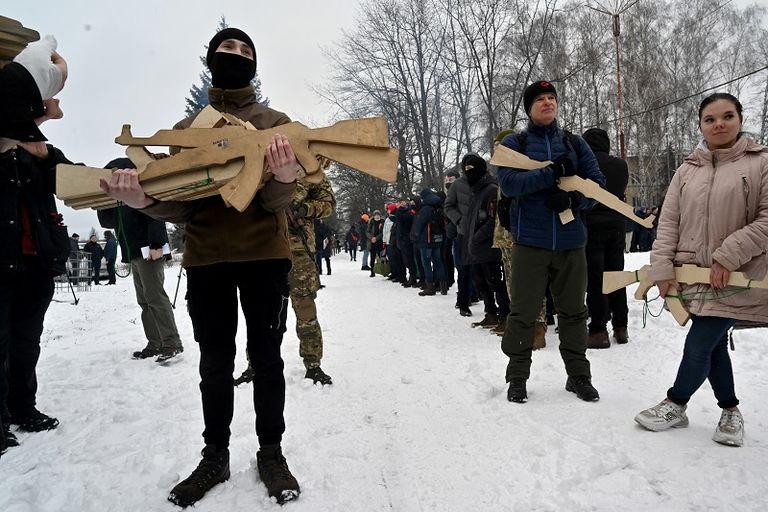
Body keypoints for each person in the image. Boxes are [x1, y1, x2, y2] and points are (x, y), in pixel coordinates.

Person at [100, 27, 301, 506]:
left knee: (267, 359)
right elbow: (184, 206)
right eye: (227, 48)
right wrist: (144, 200)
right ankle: (215, 455)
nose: (236, 55)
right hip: (207, 258)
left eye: (245, 50)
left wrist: (285, 177)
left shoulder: (275, 122)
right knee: (214, 362)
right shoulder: (188, 130)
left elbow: (275, 203)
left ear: (255, 64)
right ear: (212, 57)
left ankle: (271, 452)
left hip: (264, 257)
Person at [634, 93, 768, 447]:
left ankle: (676, 402)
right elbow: (669, 223)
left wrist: (728, 256)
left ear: (740, 119)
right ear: (700, 126)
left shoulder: (762, 162)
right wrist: (662, 268)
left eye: (727, 116)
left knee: (699, 343)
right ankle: (730, 409)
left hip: (737, 275)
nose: (719, 124)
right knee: (714, 345)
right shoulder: (687, 170)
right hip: (692, 275)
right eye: (710, 119)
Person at [497, 80, 605, 403]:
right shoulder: (515, 144)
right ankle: (517, 377)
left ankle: (579, 375)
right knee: (523, 312)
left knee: (574, 312)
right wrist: (551, 173)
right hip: (530, 242)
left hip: (571, 242)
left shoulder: (574, 143)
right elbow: (509, 183)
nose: (547, 102)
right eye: (540, 99)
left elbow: (597, 185)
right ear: (529, 108)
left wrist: (573, 201)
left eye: (551, 98)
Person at [0, 36, 69, 456]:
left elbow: (72, 181)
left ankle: (23, 407)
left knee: (27, 342)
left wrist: (44, 157)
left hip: (35, 262)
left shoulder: (43, 152)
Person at [97, 160, 184, 364]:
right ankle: (155, 343)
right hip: (134, 252)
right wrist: (102, 199)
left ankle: (172, 342)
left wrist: (156, 244)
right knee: (144, 301)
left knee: (155, 297)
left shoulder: (140, 190)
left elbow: (155, 216)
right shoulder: (120, 200)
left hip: (149, 251)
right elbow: (106, 222)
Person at [582, 127, 630, 348]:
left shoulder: (584, 165)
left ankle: (598, 330)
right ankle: (621, 327)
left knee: (596, 280)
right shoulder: (620, 165)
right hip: (616, 225)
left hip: (591, 226)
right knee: (616, 276)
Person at [462, 154, 509, 330]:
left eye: (471, 169)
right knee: (481, 282)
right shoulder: (476, 191)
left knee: (496, 283)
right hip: (476, 248)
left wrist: (477, 236)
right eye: (465, 169)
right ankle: (491, 313)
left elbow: (494, 219)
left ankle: (505, 316)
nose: (468, 172)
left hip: (489, 246)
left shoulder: (491, 189)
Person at [411, 188, 447, 296]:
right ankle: (443, 287)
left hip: (426, 240)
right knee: (438, 262)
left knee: (426, 263)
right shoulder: (439, 206)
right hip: (438, 238)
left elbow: (419, 224)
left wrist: (416, 235)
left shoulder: (425, 208)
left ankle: (430, 287)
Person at [367, 210, 385, 277]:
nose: (377, 216)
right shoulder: (371, 222)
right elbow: (367, 232)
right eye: (376, 215)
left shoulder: (383, 222)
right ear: (374, 216)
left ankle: (383, 270)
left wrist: (376, 238)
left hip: (380, 242)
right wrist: (371, 238)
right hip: (372, 243)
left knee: (381, 257)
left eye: (378, 215)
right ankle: (372, 271)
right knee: (372, 257)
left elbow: (383, 232)